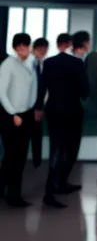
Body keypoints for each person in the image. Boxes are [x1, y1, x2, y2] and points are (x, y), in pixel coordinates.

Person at [41, 32, 89, 208]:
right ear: (69, 44)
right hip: (72, 111)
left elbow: (42, 87)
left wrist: (39, 107)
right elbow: (85, 89)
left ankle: (57, 186)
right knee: (69, 149)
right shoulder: (76, 63)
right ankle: (53, 189)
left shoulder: (48, 62)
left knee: (56, 148)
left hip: (53, 110)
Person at [0, 33, 36, 207]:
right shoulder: (8, 65)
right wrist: (13, 113)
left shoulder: (29, 64)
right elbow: (1, 93)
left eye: (26, 46)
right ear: (15, 48)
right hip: (11, 117)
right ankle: (14, 197)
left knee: (14, 157)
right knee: (16, 158)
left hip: (25, 115)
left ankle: (2, 190)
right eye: (21, 47)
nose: (24, 50)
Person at [31, 37, 49, 169]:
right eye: (42, 51)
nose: (44, 53)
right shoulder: (32, 64)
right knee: (33, 135)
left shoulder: (40, 64)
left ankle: (36, 162)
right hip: (31, 106)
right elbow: (37, 87)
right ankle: (36, 162)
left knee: (36, 135)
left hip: (37, 105)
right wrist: (38, 107)